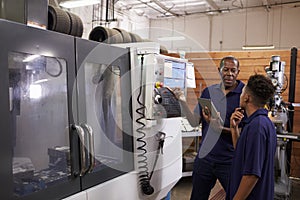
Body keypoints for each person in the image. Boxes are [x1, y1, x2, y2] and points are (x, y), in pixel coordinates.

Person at [172, 56, 244, 200]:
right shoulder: (208, 92)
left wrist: (219, 128)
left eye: (233, 70)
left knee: (235, 196)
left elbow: (244, 134)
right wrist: (182, 101)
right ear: (219, 71)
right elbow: (193, 122)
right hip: (204, 159)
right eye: (226, 70)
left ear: (238, 72)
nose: (229, 74)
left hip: (229, 160)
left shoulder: (244, 95)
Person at [226, 74, 276, 200]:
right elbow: (243, 155)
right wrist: (234, 129)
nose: (240, 96)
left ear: (247, 97)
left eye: (242, 93)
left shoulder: (257, 127)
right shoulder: (259, 123)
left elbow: (251, 175)